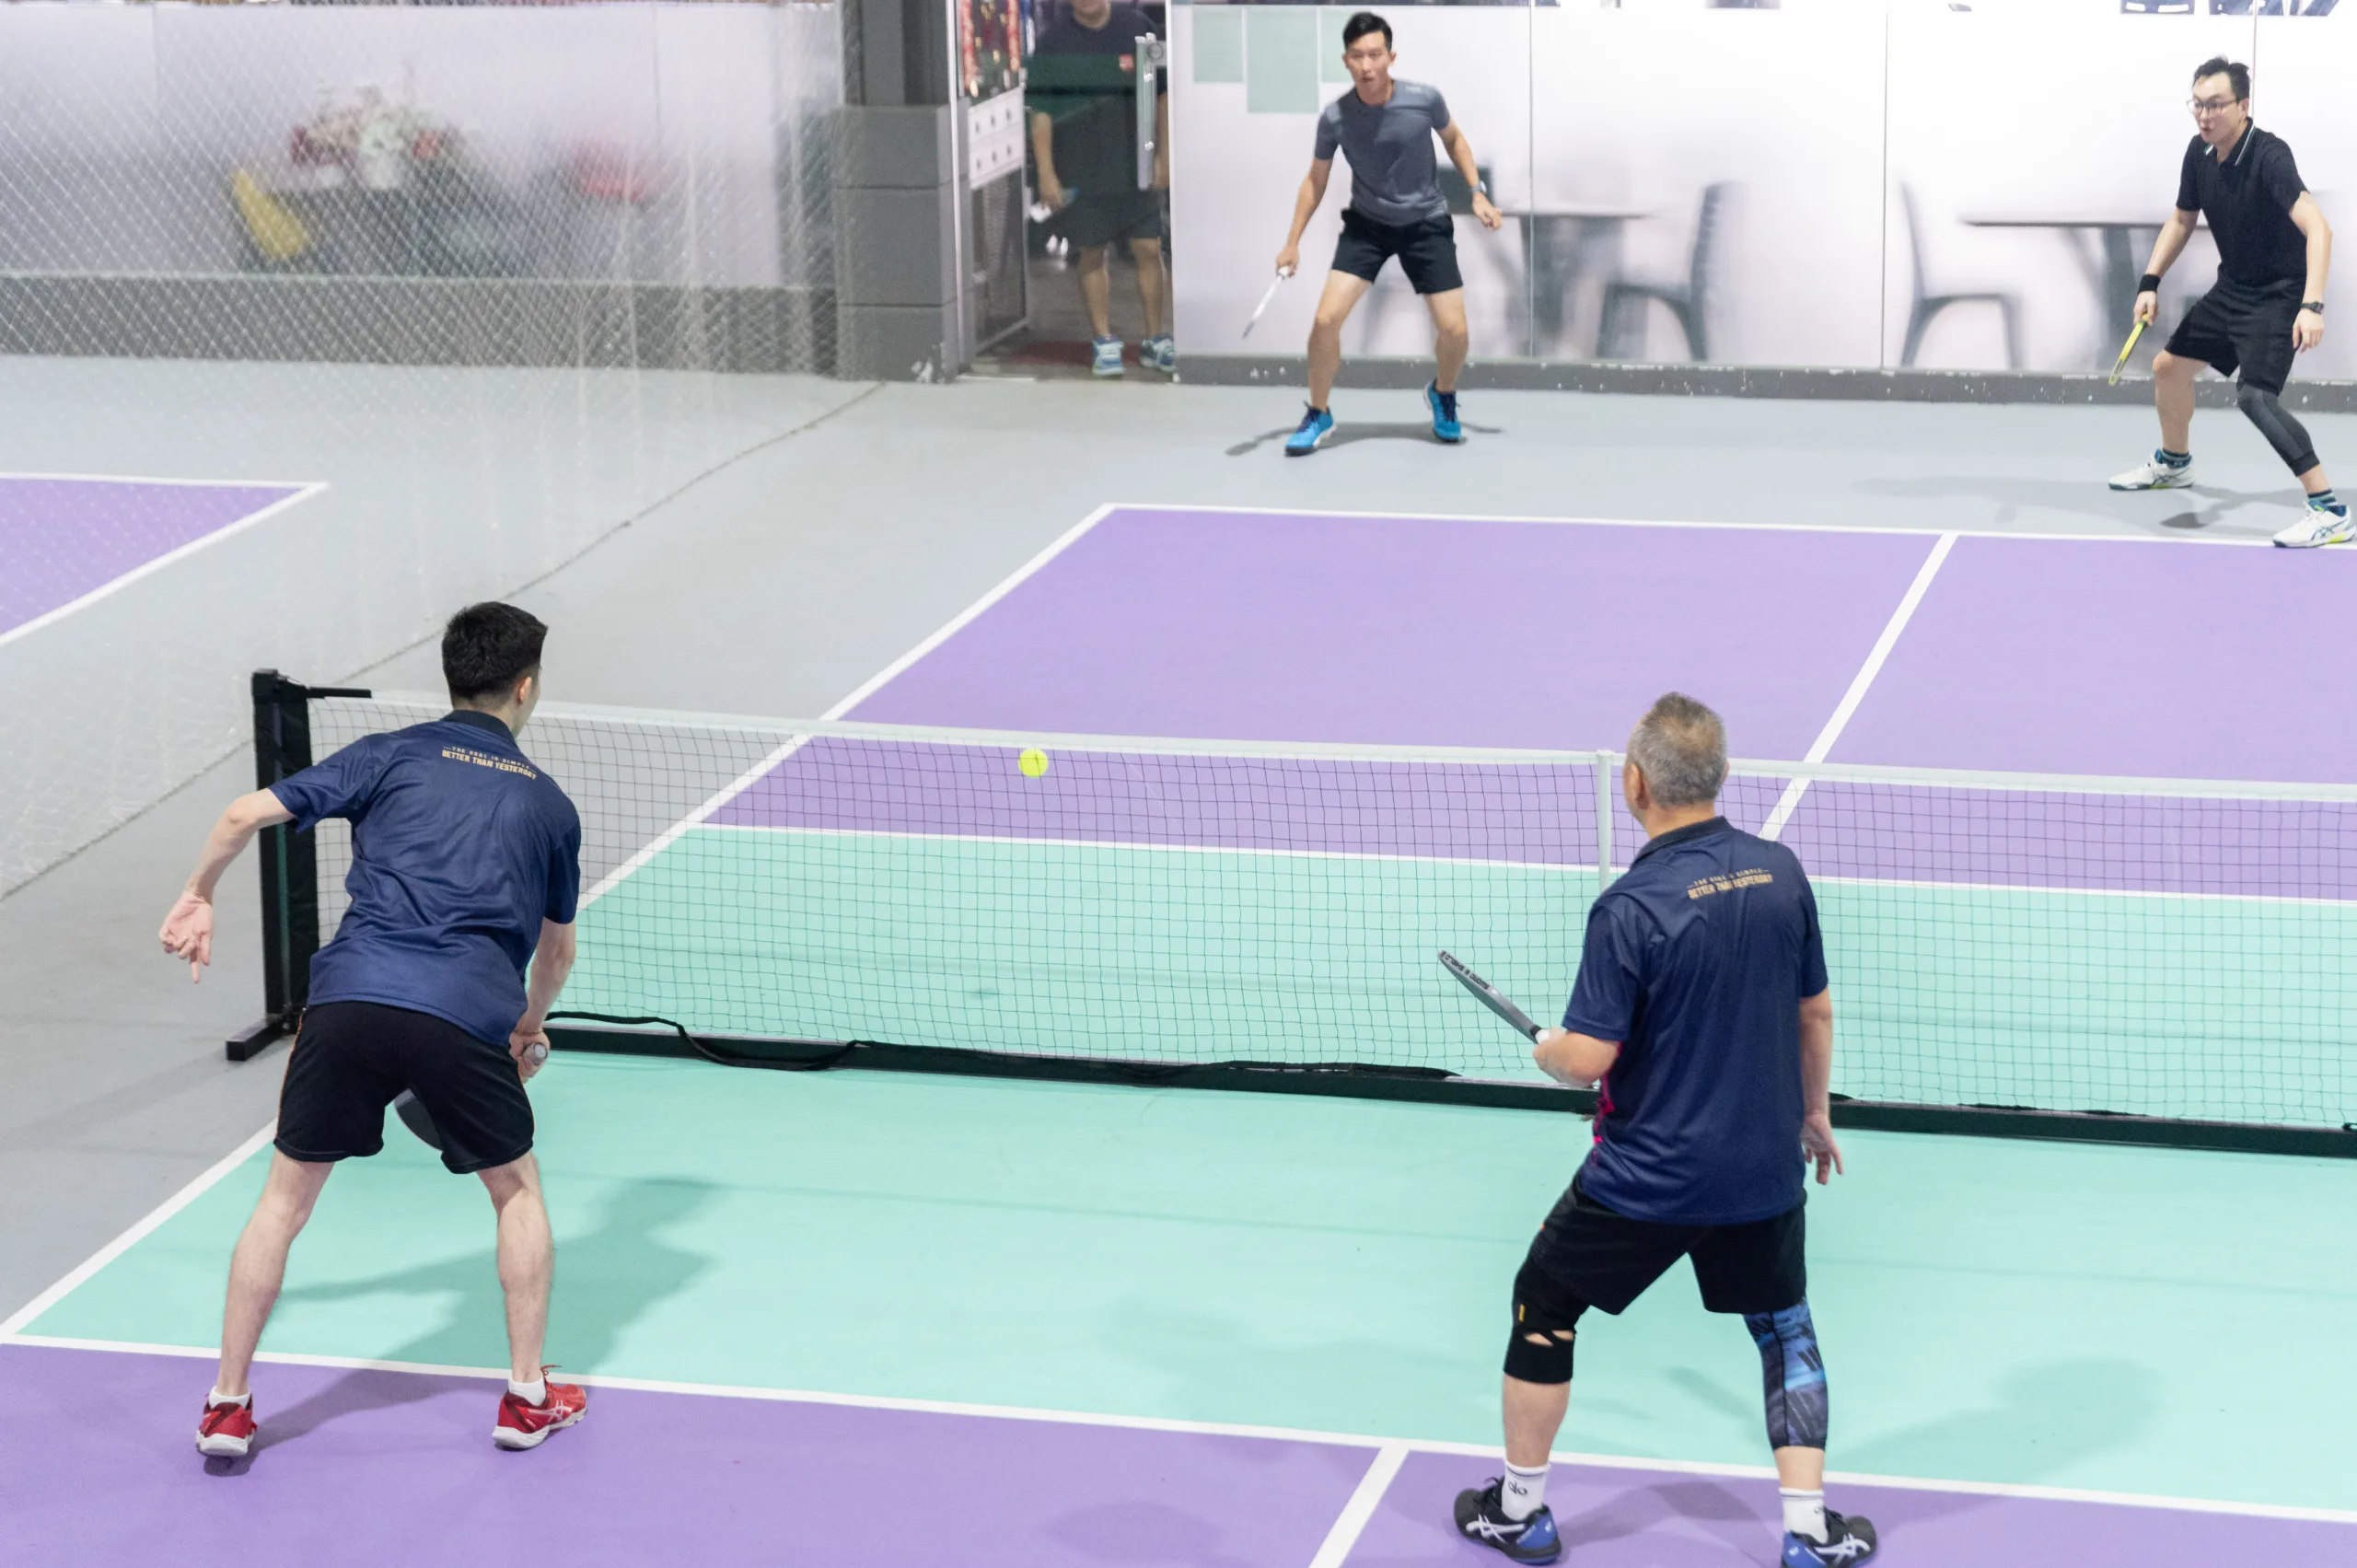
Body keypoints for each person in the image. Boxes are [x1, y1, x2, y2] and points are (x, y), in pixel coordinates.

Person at [1453, 695, 1875, 1568]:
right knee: (1785, 1330)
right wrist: (1813, 1113)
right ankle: (1808, 1531)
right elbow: (1815, 1011)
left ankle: (1519, 1513)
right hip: (1762, 1169)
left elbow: (1589, 1060)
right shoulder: (1781, 872)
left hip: (1645, 1180)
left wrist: (1549, 1050)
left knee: (1545, 1304)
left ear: (1635, 783)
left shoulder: (1630, 907)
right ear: (1721, 775)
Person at [158, 603, 588, 1458]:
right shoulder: (549, 806)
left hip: (348, 1000)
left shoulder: (387, 754)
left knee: (283, 1202)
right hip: (462, 1013)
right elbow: (557, 950)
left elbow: (241, 815)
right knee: (516, 1190)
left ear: (452, 677)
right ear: (526, 686)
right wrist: (528, 1026)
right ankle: (526, 1397)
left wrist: (198, 893)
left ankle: (227, 1405)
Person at [2109, 57, 2343, 548]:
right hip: (2233, 288)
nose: (2204, 115)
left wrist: (2312, 306)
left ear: (2242, 106)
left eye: (2215, 104)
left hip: (2279, 295)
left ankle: (2329, 509)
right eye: (2197, 104)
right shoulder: (2199, 153)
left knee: (2255, 398)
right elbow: (2182, 219)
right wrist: (2150, 281)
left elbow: (2319, 228)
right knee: (2168, 369)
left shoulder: (2269, 156)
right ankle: (2175, 463)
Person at [1273, 11, 1504, 455]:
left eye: (1375, 55)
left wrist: (1477, 192)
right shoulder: (1336, 117)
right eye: (1357, 56)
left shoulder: (1424, 100)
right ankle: (1319, 412)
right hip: (1368, 226)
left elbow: (1454, 140)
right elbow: (1315, 181)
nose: (1367, 66)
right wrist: (1291, 243)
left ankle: (1442, 393)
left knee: (1455, 332)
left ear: (1391, 57)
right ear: (1346, 60)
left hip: (1426, 223)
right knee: (1325, 321)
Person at [1029, 0, 1173, 378]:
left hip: (1136, 164)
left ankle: (1155, 339)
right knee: (1091, 253)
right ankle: (1103, 340)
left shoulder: (1140, 28)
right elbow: (1041, 111)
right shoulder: (1051, 43)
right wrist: (1046, 173)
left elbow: (1163, 95)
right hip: (1080, 168)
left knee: (1148, 248)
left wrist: (1164, 154)